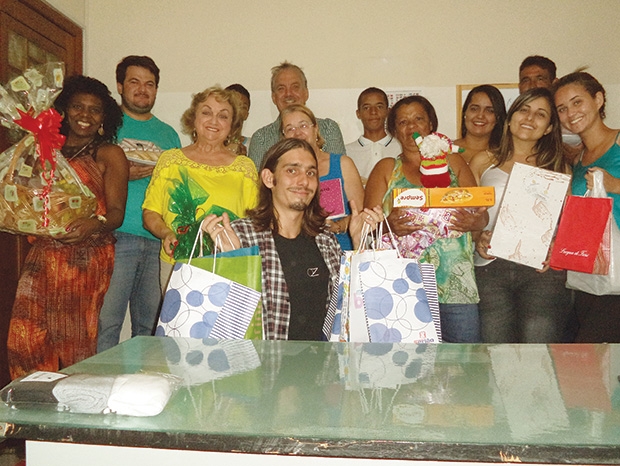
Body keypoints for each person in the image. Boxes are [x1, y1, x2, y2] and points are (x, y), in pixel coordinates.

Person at [202, 138, 383, 341]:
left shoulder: (325, 239)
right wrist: (232, 261)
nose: (304, 181)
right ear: (269, 178)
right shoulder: (240, 236)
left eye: (311, 173)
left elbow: (350, 310)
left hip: (323, 359)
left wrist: (359, 244)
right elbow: (222, 321)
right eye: (292, 170)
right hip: (264, 359)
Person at [7, 76, 128, 378]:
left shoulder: (109, 154)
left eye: (95, 110)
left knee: (74, 338)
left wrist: (93, 224)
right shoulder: (45, 149)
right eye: (77, 106)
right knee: (26, 335)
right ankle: (32, 397)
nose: (85, 115)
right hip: (43, 252)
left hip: (86, 257)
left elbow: (116, 214)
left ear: (104, 117)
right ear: (63, 110)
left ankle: (77, 399)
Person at [364, 95, 487, 343]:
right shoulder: (386, 168)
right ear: (395, 131)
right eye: (403, 122)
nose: (411, 127)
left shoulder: (454, 162)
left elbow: (481, 216)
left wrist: (475, 223)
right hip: (403, 286)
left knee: (464, 362)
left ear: (431, 124)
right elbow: (365, 230)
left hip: (456, 284)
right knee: (410, 363)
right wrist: (388, 226)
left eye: (418, 119)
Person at [469, 88, 572, 343]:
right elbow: (469, 215)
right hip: (490, 267)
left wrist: (556, 247)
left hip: (541, 272)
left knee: (539, 346)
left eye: (540, 114)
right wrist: (478, 237)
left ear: (549, 128)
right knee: (495, 348)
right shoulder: (483, 161)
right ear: (510, 118)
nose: (529, 118)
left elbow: (568, 224)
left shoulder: (559, 167)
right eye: (524, 110)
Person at [97, 55, 182, 353]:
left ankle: (143, 382)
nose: (142, 89)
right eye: (134, 82)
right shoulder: (105, 125)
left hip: (158, 240)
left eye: (150, 84)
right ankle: (100, 381)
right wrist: (119, 174)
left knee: (150, 328)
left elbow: (178, 187)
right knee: (106, 323)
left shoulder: (169, 135)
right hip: (115, 236)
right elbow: (84, 175)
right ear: (120, 86)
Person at [142, 86, 259, 291]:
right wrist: (166, 233)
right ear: (193, 118)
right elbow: (150, 212)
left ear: (232, 125)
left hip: (228, 264)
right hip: (177, 262)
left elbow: (255, 222)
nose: (214, 121)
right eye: (206, 112)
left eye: (223, 116)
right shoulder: (170, 160)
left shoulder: (244, 167)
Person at [554, 71, 620, 343]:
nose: (570, 113)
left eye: (577, 102)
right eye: (562, 108)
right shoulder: (577, 159)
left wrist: (613, 184)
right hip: (591, 272)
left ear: (598, 99)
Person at [280, 104, 364, 250]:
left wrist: (338, 226)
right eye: (290, 129)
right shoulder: (281, 171)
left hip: (342, 249)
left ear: (316, 129)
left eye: (303, 126)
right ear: (284, 136)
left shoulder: (342, 164)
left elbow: (361, 212)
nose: (297, 133)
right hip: (300, 250)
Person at [248, 61, 345, 168]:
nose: (288, 94)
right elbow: (259, 178)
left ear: (306, 93)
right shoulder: (261, 138)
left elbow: (338, 172)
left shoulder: (328, 129)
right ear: (274, 97)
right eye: (281, 89)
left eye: (295, 87)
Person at [345, 87, 402, 184]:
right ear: (358, 114)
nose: (373, 112)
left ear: (388, 111)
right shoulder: (346, 152)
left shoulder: (401, 148)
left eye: (379, 107)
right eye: (366, 108)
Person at [453, 85, 506, 165]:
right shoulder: (444, 150)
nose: (480, 116)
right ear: (465, 113)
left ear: (498, 118)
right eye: (474, 109)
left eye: (489, 111)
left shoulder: (505, 157)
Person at [225, 83, 251, 155]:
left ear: (246, 114)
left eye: (243, 107)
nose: (237, 110)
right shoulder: (208, 143)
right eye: (234, 105)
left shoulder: (253, 145)